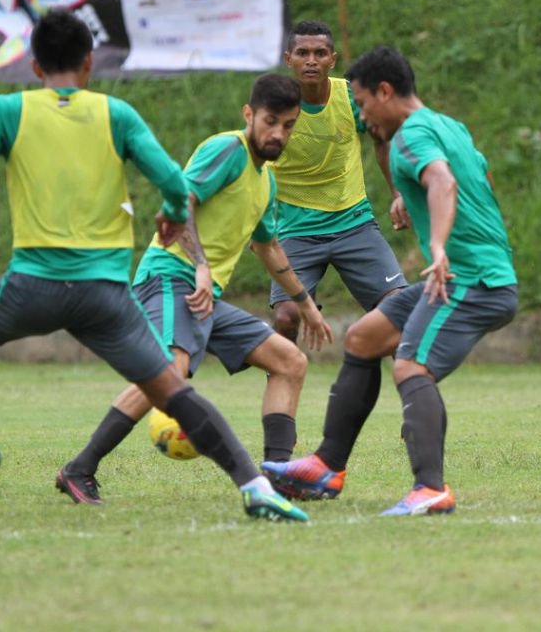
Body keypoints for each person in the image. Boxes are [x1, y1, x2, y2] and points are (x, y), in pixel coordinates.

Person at [0, 9, 306, 523]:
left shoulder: (7, 111)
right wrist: (173, 214)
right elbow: (176, 186)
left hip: (34, 286)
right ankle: (254, 485)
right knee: (172, 389)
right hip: (107, 298)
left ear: (34, 66)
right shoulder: (117, 114)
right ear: (89, 64)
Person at [56, 72, 334, 505]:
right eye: (271, 121)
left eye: (289, 125)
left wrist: (305, 305)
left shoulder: (267, 180)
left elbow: (268, 247)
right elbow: (180, 200)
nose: (278, 133)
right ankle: (79, 468)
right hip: (171, 275)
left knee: (289, 361)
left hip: (205, 295)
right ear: (249, 114)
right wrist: (201, 266)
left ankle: (277, 476)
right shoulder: (227, 150)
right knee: (170, 370)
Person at [263, 46, 518, 516]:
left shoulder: (409, 137)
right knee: (363, 337)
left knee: (410, 367)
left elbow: (443, 182)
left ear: (385, 92)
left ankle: (431, 488)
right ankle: (326, 467)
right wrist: (409, 197)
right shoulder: (447, 125)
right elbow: (477, 175)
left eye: (362, 104)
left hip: (471, 280)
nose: (362, 115)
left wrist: (439, 247)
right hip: (472, 271)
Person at [269, 20, 408, 341]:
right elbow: (256, 163)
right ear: (289, 59)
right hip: (296, 230)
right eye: (303, 53)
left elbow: (382, 140)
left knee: (399, 307)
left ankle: (397, 380)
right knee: (287, 316)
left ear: (333, 59)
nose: (312, 60)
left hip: (354, 223)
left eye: (320, 53)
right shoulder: (276, 105)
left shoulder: (349, 97)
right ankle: (282, 379)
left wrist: (398, 193)